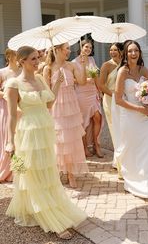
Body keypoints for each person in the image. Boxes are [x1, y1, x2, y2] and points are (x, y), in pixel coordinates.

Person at [4, 46, 87, 240]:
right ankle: (49, 217)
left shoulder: (40, 79)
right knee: (31, 173)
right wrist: (10, 141)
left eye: (38, 57)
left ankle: (45, 205)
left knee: (47, 172)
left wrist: (57, 83)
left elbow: (49, 104)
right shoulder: (13, 84)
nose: (37, 61)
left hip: (45, 132)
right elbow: (11, 117)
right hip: (28, 133)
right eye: (33, 59)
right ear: (21, 61)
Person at [113, 40, 148, 205]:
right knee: (134, 151)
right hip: (130, 117)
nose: (133, 53)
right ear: (125, 54)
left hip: (146, 118)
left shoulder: (144, 70)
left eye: (136, 50)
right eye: (130, 51)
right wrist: (139, 109)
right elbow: (118, 100)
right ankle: (134, 181)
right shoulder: (122, 72)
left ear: (139, 53)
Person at [43, 42, 88, 188]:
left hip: (71, 105)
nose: (69, 51)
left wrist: (84, 64)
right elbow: (46, 93)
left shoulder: (71, 66)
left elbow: (81, 82)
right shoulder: (48, 68)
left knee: (71, 139)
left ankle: (70, 174)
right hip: (56, 106)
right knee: (58, 140)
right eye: (66, 48)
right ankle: (56, 173)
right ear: (57, 50)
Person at [73, 39, 104, 158]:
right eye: (86, 47)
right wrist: (83, 80)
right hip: (81, 94)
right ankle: (84, 147)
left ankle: (96, 144)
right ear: (81, 47)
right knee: (84, 122)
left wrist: (99, 90)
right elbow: (73, 80)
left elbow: (96, 75)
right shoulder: (74, 62)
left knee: (98, 118)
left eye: (90, 48)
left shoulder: (92, 60)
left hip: (92, 92)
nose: (88, 50)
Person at [99, 43, 123, 170]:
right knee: (115, 129)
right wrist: (114, 95)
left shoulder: (125, 64)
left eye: (115, 50)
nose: (112, 52)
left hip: (123, 100)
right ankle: (118, 160)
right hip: (110, 99)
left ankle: (122, 158)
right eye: (111, 50)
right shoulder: (106, 65)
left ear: (120, 51)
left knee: (123, 128)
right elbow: (101, 85)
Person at [0, 49, 21, 182]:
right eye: (15, 54)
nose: (18, 57)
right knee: (7, 138)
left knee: (18, 138)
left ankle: (18, 170)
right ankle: (5, 170)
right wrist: (6, 96)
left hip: (20, 109)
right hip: (6, 108)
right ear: (9, 56)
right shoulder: (2, 72)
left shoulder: (22, 72)